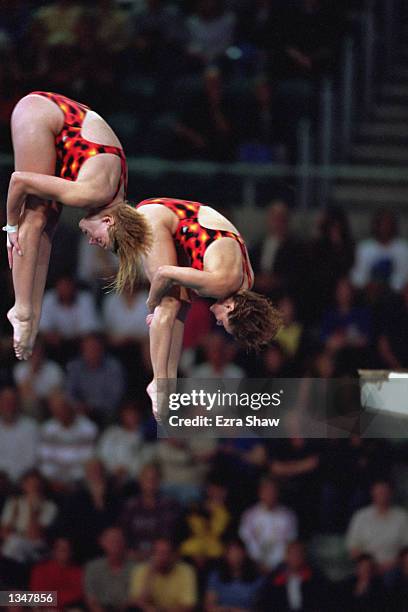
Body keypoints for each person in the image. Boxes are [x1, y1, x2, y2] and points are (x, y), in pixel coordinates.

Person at [79, 197, 282, 419]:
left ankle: (169, 380)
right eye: (225, 322)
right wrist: (152, 305)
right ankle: (159, 383)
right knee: (169, 303)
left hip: (185, 222)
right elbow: (164, 273)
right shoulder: (219, 284)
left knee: (180, 304)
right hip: (161, 217)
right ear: (232, 307)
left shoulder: (245, 283)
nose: (218, 323)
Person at [4, 90, 129, 360]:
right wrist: (11, 226)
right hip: (38, 113)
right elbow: (18, 181)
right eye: (101, 240)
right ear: (109, 221)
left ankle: (31, 316)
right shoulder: (91, 193)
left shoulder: (114, 196)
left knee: (48, 220)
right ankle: (22, 309)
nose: (93, 242)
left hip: (66, 128)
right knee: (35, 216)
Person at [128, 537, 198, 611]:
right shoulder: (140, 570)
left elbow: (188, 606)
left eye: (166, 553)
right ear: (152, 555)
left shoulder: (186, 571)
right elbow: (137, 603)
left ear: (175, 555)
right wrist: (150, 575)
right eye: (158, 553)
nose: (163, 558)